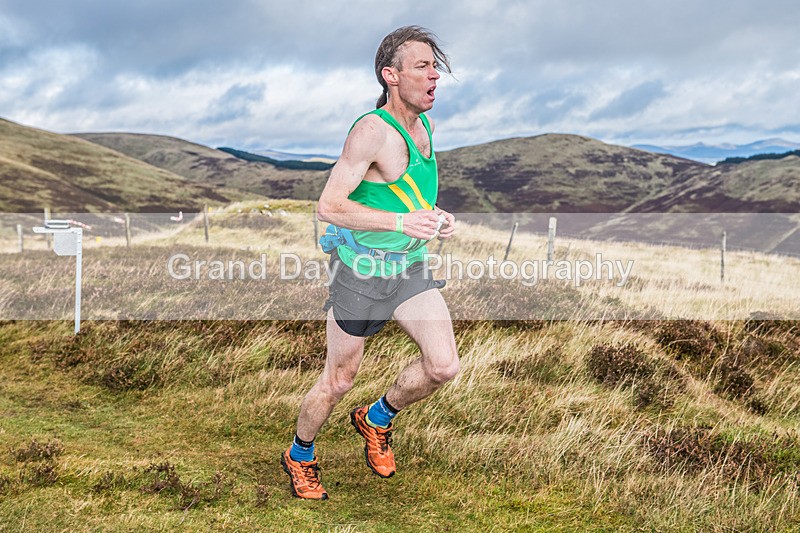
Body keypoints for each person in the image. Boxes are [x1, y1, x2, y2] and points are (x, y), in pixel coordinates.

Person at [280, 26, 459, 500]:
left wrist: (434, 217)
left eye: (435, 67)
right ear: (391, 75)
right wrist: (403, 225)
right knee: (339, 379)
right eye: (422, 66)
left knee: (442, 367)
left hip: (408, 271)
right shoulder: (370, 132)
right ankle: (300, 454)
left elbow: (410, 197)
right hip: (358, 275)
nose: (434, 76)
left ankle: (376, 417)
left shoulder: (427, 129)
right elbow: (329, 206)